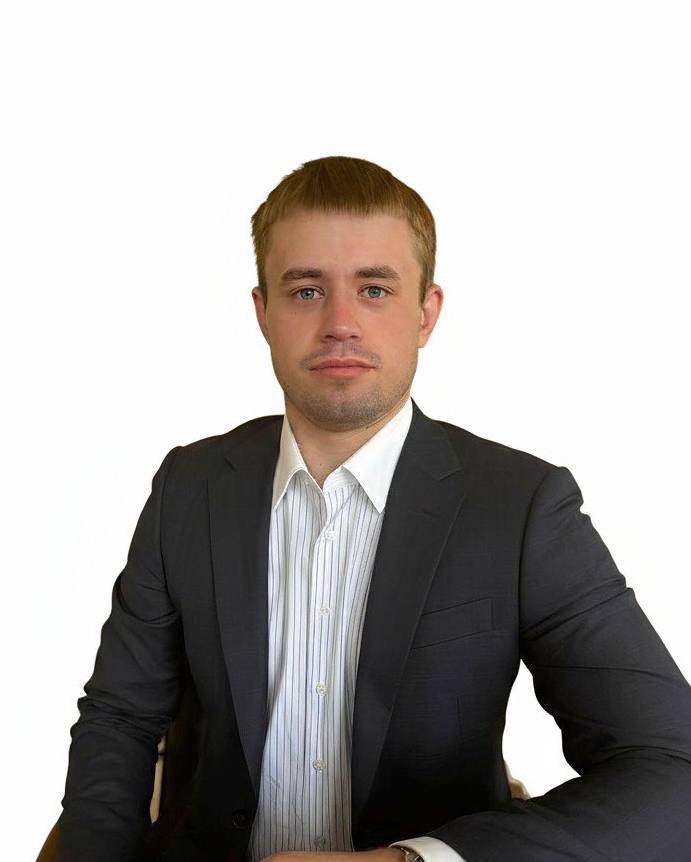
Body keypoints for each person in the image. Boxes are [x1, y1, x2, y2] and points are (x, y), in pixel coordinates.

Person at [56, 156, 691, 862]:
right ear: (262, 313)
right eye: (305, 291)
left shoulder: (521, 508)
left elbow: (670, 766)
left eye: (374, 289)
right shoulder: (189, 485)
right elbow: (120, 719)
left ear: (426, 313)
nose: (340, 324)